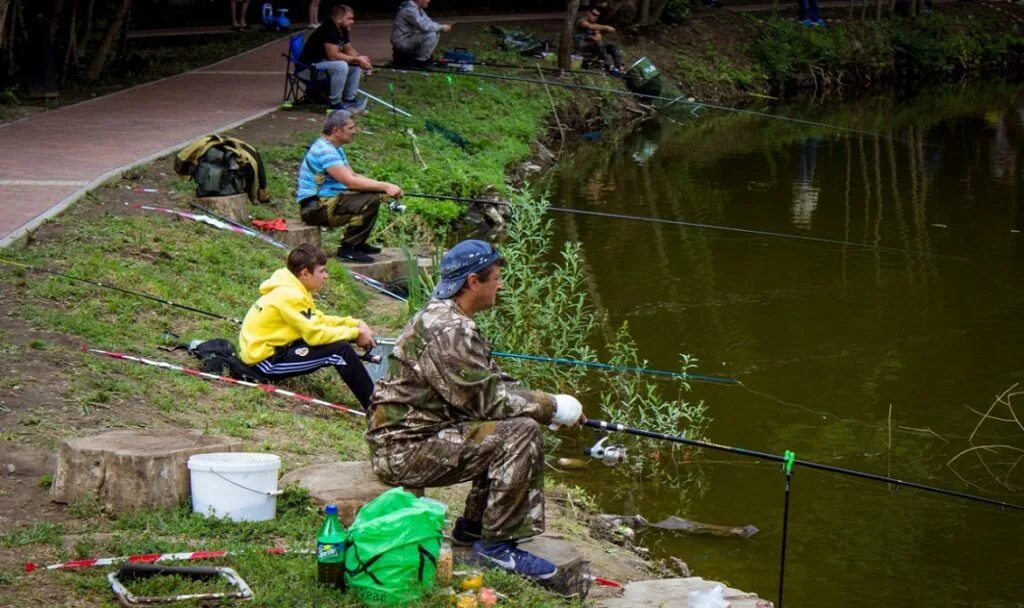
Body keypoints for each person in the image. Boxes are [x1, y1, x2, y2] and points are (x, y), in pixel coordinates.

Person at [366, 239, 585, 582]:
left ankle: (474, 527)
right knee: (520, 431)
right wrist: (552, 407)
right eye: (495, 277)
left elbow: (491, 382)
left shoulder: (448, 318)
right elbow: (488, 400)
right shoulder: (450, 329)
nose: (500, 284)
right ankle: (497, 550)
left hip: (415, 438)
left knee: (506, 425)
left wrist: (556, 409)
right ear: (473, 282)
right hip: (403, 451)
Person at [238, 243, 377, 409]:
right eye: (322, 271)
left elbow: (317, 321)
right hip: (264, 363)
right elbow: (316, 335)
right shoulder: (290, 295)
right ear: (304, 273)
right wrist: (355, 334)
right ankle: (377, 410)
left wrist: (354, 324)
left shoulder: (290, 285)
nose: (326, 276)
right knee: (340, 350)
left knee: (337, 340)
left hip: (269, 350)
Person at [297, 109, 403, 263]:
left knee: (373, 196)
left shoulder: (334, 148)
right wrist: (385, 186)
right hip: (314, 209)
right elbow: (350, 182)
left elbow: (353, 176)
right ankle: (348, 248)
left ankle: (358, 243)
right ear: (336, 130)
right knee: (369, 201)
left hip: (326, 202)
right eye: (351, 128)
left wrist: (383, 188)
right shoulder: (325, 151)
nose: (355, 131)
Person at [299, 4, 372, 112]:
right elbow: (333, 56)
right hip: (308, 69)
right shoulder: (329, 29)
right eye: (349, 18)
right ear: (339, 18)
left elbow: (349, 49)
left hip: (323, 65)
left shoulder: (343, 28)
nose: (352, 21)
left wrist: (362, 60)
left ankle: (348, 100)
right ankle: (335, 104)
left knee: (355, 65)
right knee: (341, 65)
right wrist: (357, 59)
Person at [391, 0, 452, 68]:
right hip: (402, 41)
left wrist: (440, 27)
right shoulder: (408, 10)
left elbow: (429, 22)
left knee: (434, 32)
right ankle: (420, 62)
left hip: (410, 38)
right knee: (431, 35)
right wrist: (441, 27)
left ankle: (423, 59)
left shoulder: (418, 10)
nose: (429, 1)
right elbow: (423, 25)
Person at [575, 6, 624, 76]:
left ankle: (619, 67)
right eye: (594, 14)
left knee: (612, 45)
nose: (595, 17)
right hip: (581, 46)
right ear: (588, 13)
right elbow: (590, 26)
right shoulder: (582, 21)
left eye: (597, 16)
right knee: (599, 44)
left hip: (593, 46)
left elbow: (598, 38)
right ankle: (609, 66)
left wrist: (595, 36)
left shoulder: (595, 25)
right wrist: (606, 27)